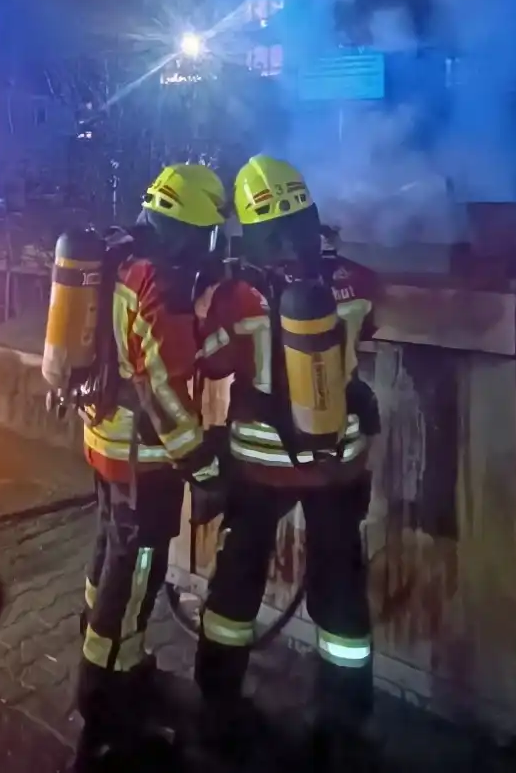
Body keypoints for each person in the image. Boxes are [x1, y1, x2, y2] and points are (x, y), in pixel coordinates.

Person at [193, 155, 383, 770]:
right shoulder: (354, 280)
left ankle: (219, 700)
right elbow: (370, 325)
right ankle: (343, 721)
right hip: (337, 464)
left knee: (238, 581)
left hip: (260, 467)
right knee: (339, 588)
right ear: (308, 212)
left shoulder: (236, 296)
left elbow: (215, 361)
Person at [71, 163, 226, 771]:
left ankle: (119, 657)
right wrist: (204, 470)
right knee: (134, 576)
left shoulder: (116, 259)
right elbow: (164, 394)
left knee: (109, 556)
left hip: (105, 442)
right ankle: (107, 710)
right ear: (187, 229)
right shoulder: (160, 283)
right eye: (207, 233)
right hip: (146, 461)